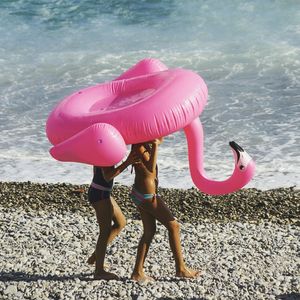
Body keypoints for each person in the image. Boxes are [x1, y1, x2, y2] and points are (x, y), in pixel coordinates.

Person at [130, 138, 200, 282]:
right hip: (147, 196)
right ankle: (180, 269)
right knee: (174, 226)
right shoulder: (139, 145)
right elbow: (150, 170)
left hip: (142, 193)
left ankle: (137, 272)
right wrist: (155, 146)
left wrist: (155, 143)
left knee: (149, 231)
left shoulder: (141, 144)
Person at [87, 151, 139, 280]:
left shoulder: (102, 147)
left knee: (121, 223)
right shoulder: (104, 152)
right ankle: (99, 271)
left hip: (102, 192)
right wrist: (127, 162)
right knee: (104, 231)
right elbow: (108, 176)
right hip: (99, 193)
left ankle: (96, 256)